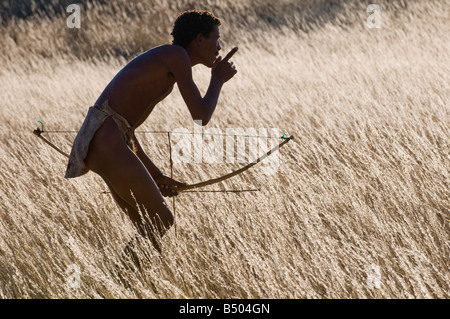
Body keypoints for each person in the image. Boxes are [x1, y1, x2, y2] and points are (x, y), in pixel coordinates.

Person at [64, 10, 238, 253]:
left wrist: (155, 175)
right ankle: (119, 277)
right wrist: (217, 79)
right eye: (215, 38)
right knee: (162, 220)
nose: (219, 46)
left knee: (150, 233)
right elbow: (201, 116)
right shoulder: (176, 55)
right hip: (106, 140)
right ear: (199, 39)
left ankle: (122, 285)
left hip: (104, 143)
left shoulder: (171, 61)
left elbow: (127, 131)